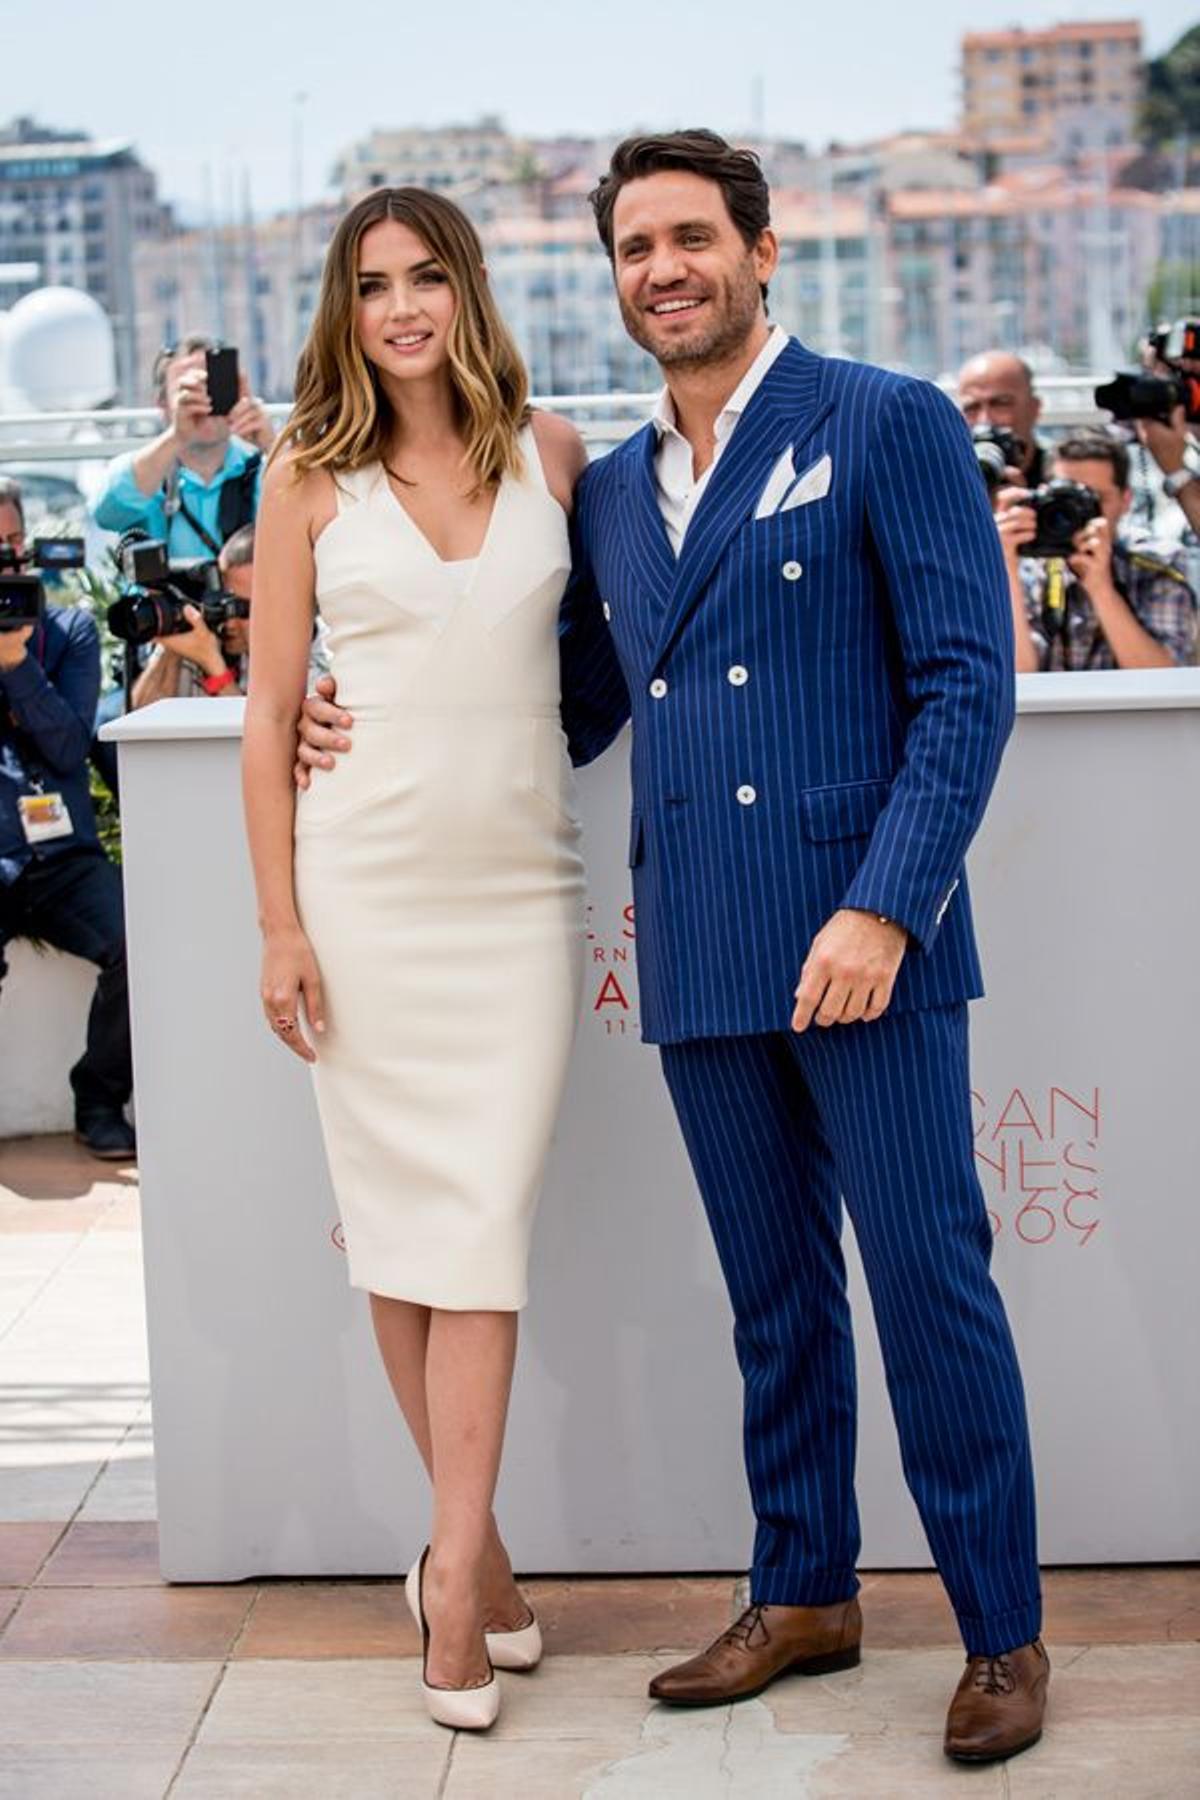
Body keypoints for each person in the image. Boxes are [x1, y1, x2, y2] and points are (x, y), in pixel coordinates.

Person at [299, 130, 1049, 1766]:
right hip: (703, 943)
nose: (666, 270)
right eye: (635, 247)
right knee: (774, 1304)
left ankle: (1003, 1632)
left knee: (930, 1295)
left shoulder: (886, 420)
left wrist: (886, 903)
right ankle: (804, 1590)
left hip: (868, 944)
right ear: (614, 276)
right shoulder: (619, 489)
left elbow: (964, 690)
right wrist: (339, 717)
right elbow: (563, 693)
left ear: (762, 250)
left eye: (693, 238)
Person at [242, 186, 601, 1732]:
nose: (400, 308)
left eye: (426, 279)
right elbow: (269, 719)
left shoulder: (562, 455)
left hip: (521, 895)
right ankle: (476, 1569)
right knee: (410, 1233)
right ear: (347, 305)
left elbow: (614, 659)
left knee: (481, 1231)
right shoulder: (305, 477)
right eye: (373, 283)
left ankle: (455, 1564)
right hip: (367, 894)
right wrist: (279, 924)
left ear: (466, 291)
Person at [0, 477, 135, 1160]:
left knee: (137, 944)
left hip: (63, 858)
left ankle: (100, 1097)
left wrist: (17, 665)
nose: (5, 564)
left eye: (9, 546)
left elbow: (65, 744)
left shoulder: (68, 629)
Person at [995, 430, 1197, 671]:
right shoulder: (1026, 565)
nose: (1078, 512)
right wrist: (1004, 563)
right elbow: (1017, 676)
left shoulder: (1160, 562)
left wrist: (1101, 588)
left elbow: (1164, 677)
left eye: (1094, 498)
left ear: (1126, 501)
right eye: (1066, 497)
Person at [92, 336, 274, 560]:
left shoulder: (263, 471)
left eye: (214, 386)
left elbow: (315, 519)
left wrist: (273, 445)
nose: (203, 399)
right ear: (162, 404)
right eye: (188, 389)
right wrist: (177, 436)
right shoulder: (147, 475)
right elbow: (106, 513)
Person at [129, 524, 328, 710]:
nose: (228, 621)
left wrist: (215, 669)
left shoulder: (317, 660)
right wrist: (170, 644)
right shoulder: (202, 633)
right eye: (221, 602)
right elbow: (137, 728)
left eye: (241, 608)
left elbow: (267, 742)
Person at [958, 350, 1049, 488]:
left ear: (1034, 408)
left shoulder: (1061, 473)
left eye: (1001, 403)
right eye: (972, 407)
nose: (985, 421)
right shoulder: (948, 481)